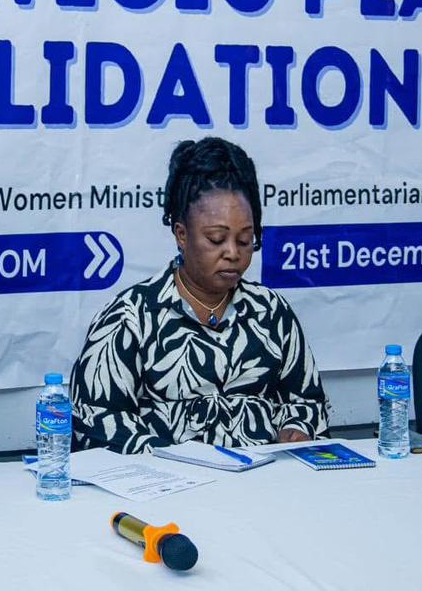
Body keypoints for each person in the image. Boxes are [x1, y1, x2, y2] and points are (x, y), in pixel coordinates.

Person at [71, 137, 330, 453]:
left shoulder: (271, 312)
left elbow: (308, 402)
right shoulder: (131, 318)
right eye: (217, 239)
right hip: (165, 480)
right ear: (181, 234)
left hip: (265, 478)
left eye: (245, 240)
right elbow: (96, 424)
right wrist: (173, 457)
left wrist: (297, 428)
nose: (233, 253)